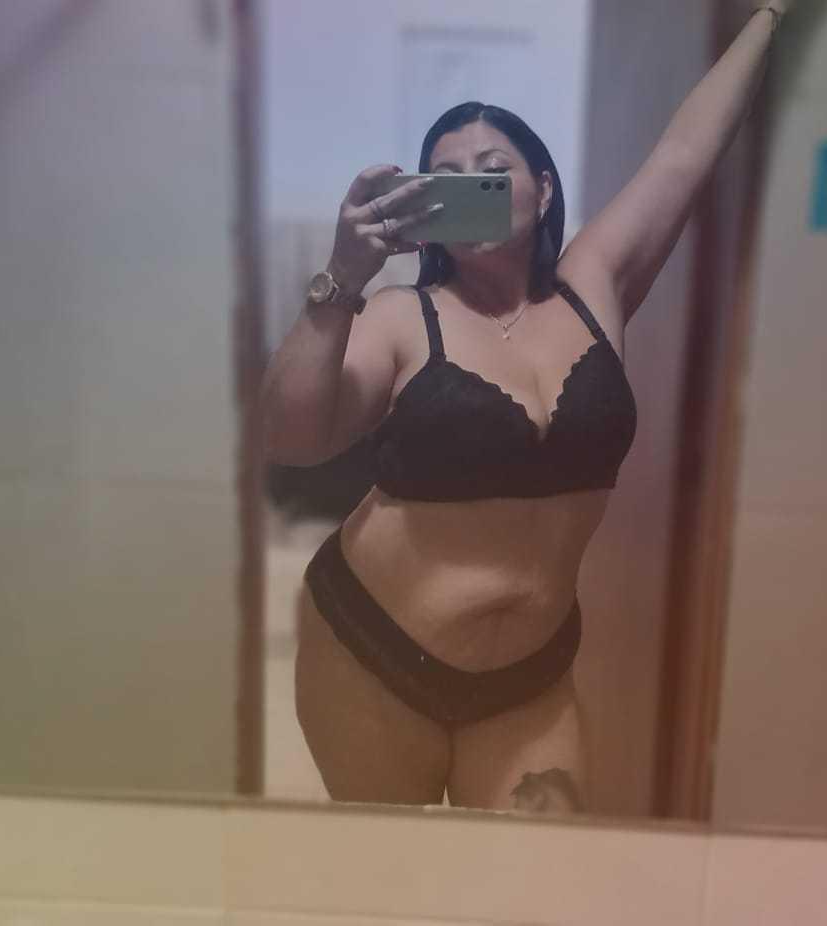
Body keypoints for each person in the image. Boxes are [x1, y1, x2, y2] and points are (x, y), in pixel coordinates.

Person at [260, 2, 794, 810]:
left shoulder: (594, 285)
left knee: (539, 872)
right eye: (447, 176)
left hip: (528, 684)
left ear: (542, 190)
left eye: (492, 168)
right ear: (424, 204)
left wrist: (772, 14)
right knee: (393, 874)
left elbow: (685, 156)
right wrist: (342, 279)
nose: (470, 186)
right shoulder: (403, 315)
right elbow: (292, 439)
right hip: (371, 658)